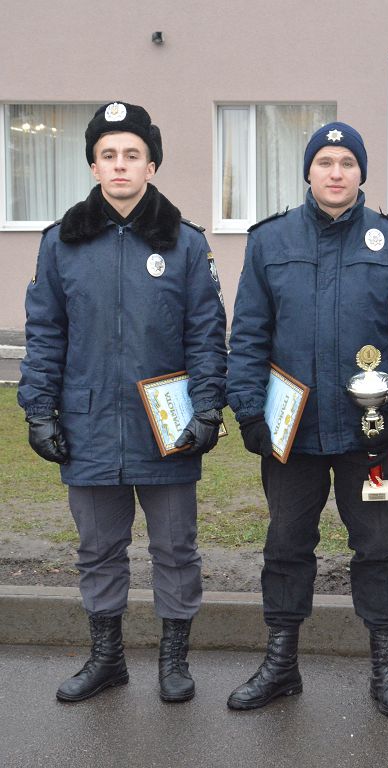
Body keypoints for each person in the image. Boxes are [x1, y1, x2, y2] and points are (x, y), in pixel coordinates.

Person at [18, 101, 227, 704]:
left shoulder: (185, 245)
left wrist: (207, 408)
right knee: (98, 548)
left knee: (175, 548)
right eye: (108, 155)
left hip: (166, 425)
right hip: (87, 424)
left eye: (132, 155)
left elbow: (206, 333)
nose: (120, 166)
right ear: (93, 166)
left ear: (152, 165)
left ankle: (173, 661)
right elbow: (46, 332)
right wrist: (38, 410)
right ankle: (106, 658)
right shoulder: (61, 244)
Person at [225, 122, 388, 718]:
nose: (336, 172)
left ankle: (386, 668)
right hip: (289, 437)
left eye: (347, 162)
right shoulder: (270, 241)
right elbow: (248, 336)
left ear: (362, 172)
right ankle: (280, 664)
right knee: (286, 545)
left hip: (370, 442)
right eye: (325, 162)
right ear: (309, 172)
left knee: (378, 546)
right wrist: (249, 410)